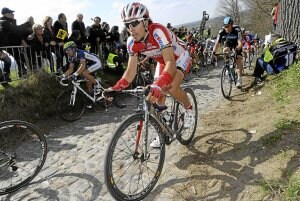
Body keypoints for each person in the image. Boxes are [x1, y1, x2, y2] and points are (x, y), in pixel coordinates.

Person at [109, 2, 195, 148]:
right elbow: (130, 72)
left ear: (145, 21)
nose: (131, 28)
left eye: (134, 23)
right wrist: (116, 88)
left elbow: (171, 63)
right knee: (153, 99)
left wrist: (160, 84)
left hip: (179, 57)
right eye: (127, 24)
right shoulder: (132, 42)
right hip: (164, 62)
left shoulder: (157, 31)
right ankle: (163, 127)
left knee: (171, 88)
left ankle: (189, 110)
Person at [212, 16, 243, 88]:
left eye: (228, 26)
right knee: (225, 50)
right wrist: (213, 52)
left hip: (237, 43)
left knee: (238, 58)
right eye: (225, 26)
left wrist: (237, 49)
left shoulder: (237, 29)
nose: (226, 28)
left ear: (232, 25)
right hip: (228, 42)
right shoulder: (222, 31)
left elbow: (240, 43)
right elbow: (217, 44)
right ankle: (227, 65)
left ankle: (239, 78)